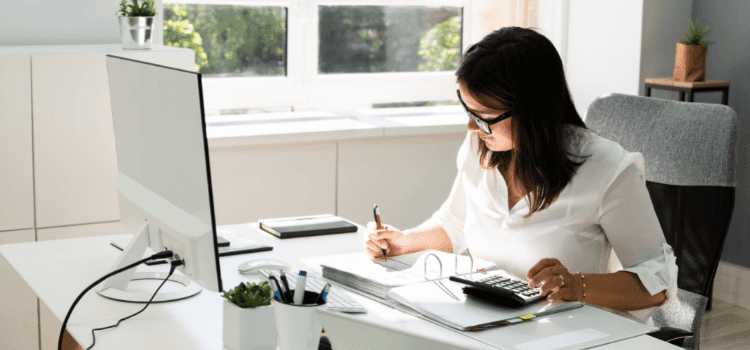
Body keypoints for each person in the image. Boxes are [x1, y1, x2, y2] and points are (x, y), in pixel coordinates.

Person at [365, 27, 677, 319]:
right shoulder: (481, 147)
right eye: (469, 111)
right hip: (491, 319)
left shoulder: (608, 168)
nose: (472, 127)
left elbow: (658, 281)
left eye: (484, 116)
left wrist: (577, 285)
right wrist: (403, 243)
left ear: (531, 111)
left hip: (570, 332)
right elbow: (455, 226)